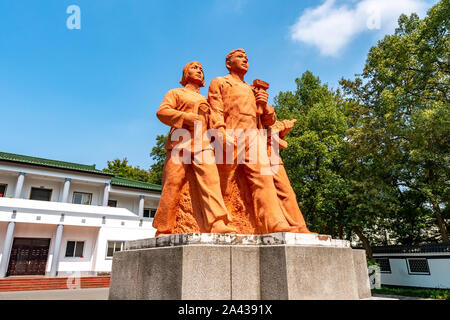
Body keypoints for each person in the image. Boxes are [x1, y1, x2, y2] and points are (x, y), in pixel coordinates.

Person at [208, 49, 294, 234]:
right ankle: (217, 222)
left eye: (246, 58)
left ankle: (273, 224)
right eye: (239, 57)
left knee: (264, 180)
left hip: (254, 138)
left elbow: (268, 120)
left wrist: (265, 105)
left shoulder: (251, 89)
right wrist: (221, 132)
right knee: (223, 182)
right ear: (228, 63)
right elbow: (215, 108)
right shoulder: (220, 82)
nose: (245, 59)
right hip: (230, 135)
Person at [152, 61, 236, 236]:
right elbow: (162, 112)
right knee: (172, 183)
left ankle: (217, 222)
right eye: (194, 68)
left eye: (201, 69)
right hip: (179, 143)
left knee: (211, 181)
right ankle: (164, 226)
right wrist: (186, 117)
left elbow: (216, 123)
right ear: (185, 74)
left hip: (203, 144)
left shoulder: (208, 101)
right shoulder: (176, 93)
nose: (199, 71)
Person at [268, 119, 316, 234]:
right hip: (251, 154)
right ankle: (275, 224)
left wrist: (282, 131)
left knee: (287, 192)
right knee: (266, 192)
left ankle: (299, 226)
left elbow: (272, 131)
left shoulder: (266, 110)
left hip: (271, 155)